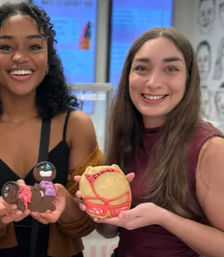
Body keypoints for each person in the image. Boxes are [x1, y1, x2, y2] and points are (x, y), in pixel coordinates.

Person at [0, 2, 102, 257]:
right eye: (6, 47)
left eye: (34, 46)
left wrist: (67, 203)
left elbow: (87, 220)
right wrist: (0, 211)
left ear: (48, 58)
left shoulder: (76, 125)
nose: (19, 57)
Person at [82, 27, 224, 257]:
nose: (153, 82)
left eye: (171, 69)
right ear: (128, 75)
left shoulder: (210, 148)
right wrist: (99, 205)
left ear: (189, 79)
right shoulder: (126, 136)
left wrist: (163, 217)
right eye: (142, 68)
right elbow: (110, 231)